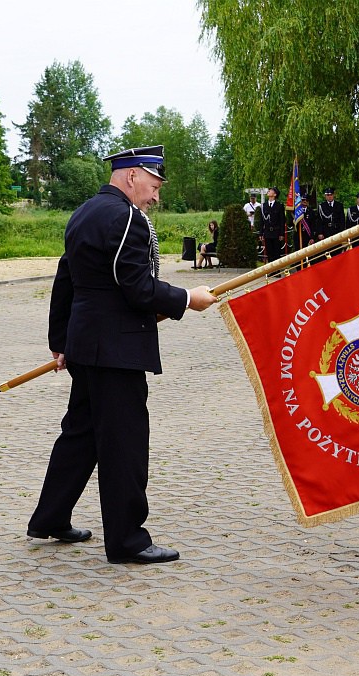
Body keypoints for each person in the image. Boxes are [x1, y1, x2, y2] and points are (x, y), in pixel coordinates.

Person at [27, 145, 217, 563]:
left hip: (88, 346)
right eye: (153, 185)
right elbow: (136, 287)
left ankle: (50, 517)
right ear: (131, 176)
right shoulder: (126, 217)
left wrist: (61, 340)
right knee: (124, 444)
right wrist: (187, 298)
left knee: (81, 435)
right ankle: (128, 541)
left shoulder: (84, 212)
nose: (155, 197)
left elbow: (66, 279)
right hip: (116, 350)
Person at [257, 187, 286, 263]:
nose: (269, 191)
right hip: (267, 232)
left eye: (271, 191)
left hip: (276, 232)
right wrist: (261, 233)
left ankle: (277, 270)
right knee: (269, 253)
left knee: (277, 252)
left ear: (275, 194)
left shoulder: (279, 206)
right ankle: (271, 271)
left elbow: (282, 220)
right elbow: (261, 221)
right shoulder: (264, 206)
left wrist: (282, 233)